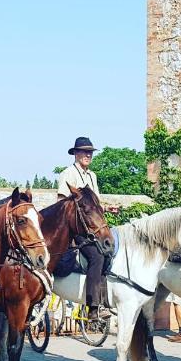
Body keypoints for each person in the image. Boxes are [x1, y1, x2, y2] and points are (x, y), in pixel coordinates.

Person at [57, 136, 110, 320]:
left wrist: (108, 208)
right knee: (96, 255)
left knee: (109, 249)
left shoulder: (92, 176)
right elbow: (61, 204)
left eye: (90, 152)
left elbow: (96, 204)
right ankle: (93, 307)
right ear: (76, 154)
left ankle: (106, 299)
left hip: (91, 227)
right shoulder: (68, 174)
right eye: (84, 152)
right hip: (76, 228)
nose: (88, 155)